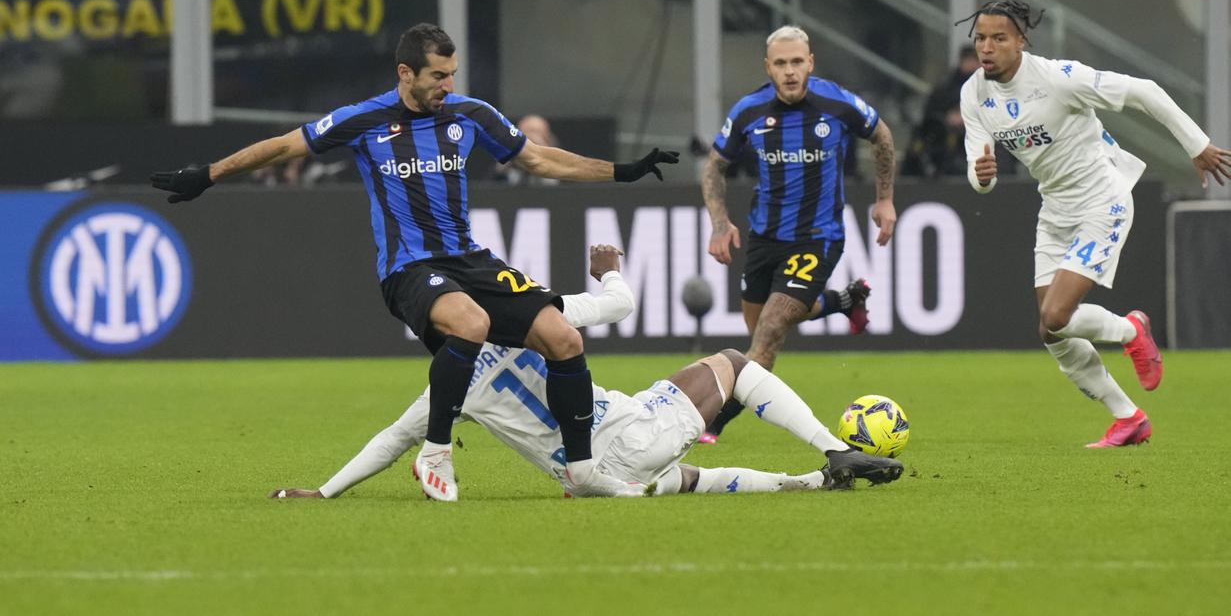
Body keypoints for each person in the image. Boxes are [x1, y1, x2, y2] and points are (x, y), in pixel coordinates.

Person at [151, 23, 679, 501]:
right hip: (409, 268)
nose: (447, 85)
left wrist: (622, 171)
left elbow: (538, 158)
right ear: (406, 73)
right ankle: (437, 452)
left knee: (565, 339)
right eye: (437, 76)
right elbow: (282, 147)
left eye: (452, 75)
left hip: (469, 259)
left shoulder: (471, 115)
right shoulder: (365, 119)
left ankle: (582, 471)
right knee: (471, 323)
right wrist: (208, 175)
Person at [269, 245, 903, 500]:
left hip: (593, 478)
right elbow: (621, 304)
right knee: (732, 364)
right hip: (622, 434)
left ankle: (811, 485)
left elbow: (391, 441)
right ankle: (833, 451)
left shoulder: (448, 385)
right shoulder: (525, 317)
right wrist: (609, 267)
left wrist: (323, 493)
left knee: (686, 477)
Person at [958, 0, 1231, 447]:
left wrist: (1196, 145)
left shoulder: (1059, 79)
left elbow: (1144, 91)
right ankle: (1128, 418)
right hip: (1055, 209)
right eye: (981, 38)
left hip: (1103, 202)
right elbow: (978, 169)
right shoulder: (974, 93)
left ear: (1021, 41)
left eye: (998, 38)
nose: (986, 48)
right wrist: (981, 178)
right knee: (1052, 332)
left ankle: (1131, 330)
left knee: (1056, 315)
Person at [699, 25, 899, 441]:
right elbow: (715, 165)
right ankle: (845, 299)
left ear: (810, 63)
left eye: (796, 62)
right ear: (768, 67)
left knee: (769, 333)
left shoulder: (837, 103)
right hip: (766, 237)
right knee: (762, 326)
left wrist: (884, 200)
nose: (789, 72)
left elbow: (881, 136)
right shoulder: (750, 110)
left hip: (819, 236)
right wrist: (720, 222)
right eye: (780, 63)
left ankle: (712, 424)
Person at [901, 46, 980, 178]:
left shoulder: (986, 86)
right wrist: (948, 118)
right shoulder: (945, 88)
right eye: (970, 60)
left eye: (976, 61)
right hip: (946, 140)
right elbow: (929, 117)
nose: (973, 65)